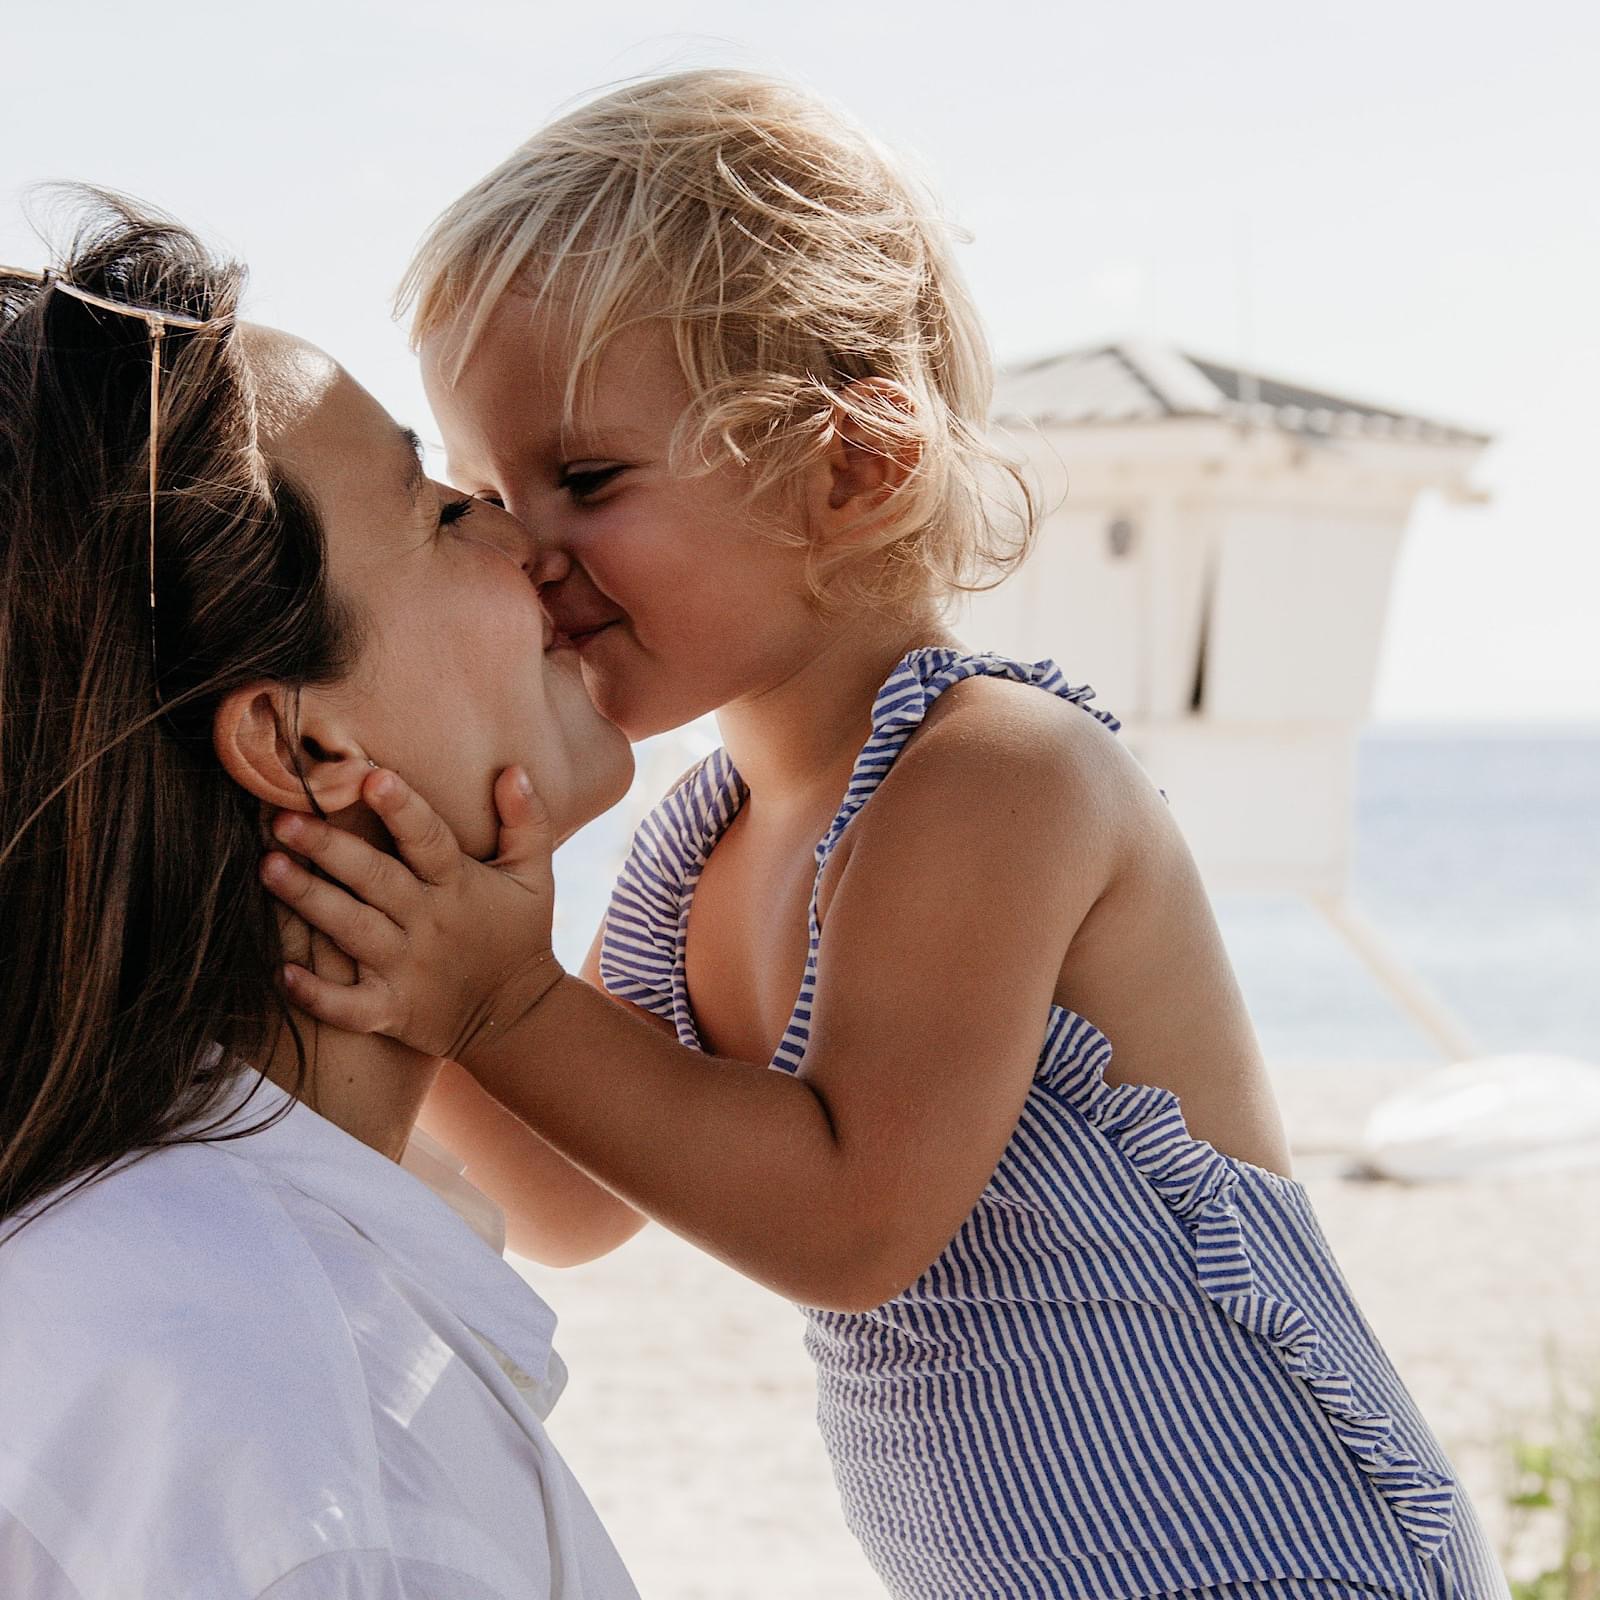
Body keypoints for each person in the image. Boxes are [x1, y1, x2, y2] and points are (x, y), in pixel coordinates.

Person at [265, 72, 1511, 1600]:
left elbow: (854, 1225)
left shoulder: (995, 778)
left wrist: (499, 997)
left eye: (586, 479)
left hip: (1275, 1551)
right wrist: (414, 956)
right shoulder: (698, 841)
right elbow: (576, 1202)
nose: (528, 549)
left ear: (854, 470)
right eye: (487, 493)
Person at [0, 195, 639, 1600]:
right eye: (435, 504)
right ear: (300, 747)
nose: (528, 537)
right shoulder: (314, 1454)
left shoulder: (126, 1278)